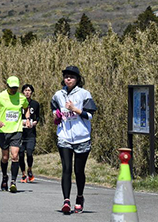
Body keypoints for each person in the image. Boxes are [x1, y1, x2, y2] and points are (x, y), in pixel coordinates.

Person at [51, 66, 97, 214]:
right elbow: (54, 112)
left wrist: (74, 109)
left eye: (71, 76)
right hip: (64, 137)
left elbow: (89, 115)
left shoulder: (84, 94)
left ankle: (79, 197)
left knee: (79, 171)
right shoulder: (58, 95)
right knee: (66, 169)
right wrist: (56, 116)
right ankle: (66, 201)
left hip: (82, 137)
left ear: (77, 79)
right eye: (66, 76)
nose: (68, 79)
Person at [0, 76, 29, 193]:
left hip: (16, 130)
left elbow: (26, 108)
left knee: (15, 156)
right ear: (7, 86)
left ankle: (13, 181)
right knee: (5, 157)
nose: (13, 90)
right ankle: (4, 177)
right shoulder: (1, 96)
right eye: (12, 88)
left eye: (16, 88)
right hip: (3, 131)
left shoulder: (21, 98)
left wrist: (27, 118)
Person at [19, 84, 41, 183]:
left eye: (29, 90)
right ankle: (23, 173)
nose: (27, 92)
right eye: (25, 90)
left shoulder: (35, 104)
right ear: (22, 92)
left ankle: (30, 169)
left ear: (31, 92)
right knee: (20, 154)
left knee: (29, 152)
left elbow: (39, 117)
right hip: (20, 133)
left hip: (31, 133)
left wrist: (35, 122)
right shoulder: (18, 104)